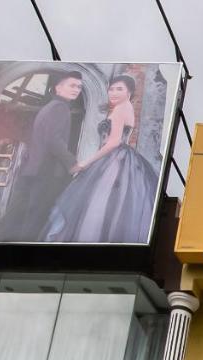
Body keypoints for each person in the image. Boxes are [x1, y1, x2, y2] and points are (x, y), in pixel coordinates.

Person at [42, 74, 158, 243]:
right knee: (105, 203)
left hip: (115, 160)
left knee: (99, 202)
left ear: (130, 92)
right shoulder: (124, 108)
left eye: (120, 89)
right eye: (111, 89)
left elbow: (113, 143)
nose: (114, 92)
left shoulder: (121, 108)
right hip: (115, 158)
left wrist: (85, 163)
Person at [1, 70, 82, 241]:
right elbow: (54, 140)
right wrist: (72, 162)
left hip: (32, 169)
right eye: (72, 85)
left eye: (79, 87)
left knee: (17, 216)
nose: (76, 89)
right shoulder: (60, 108)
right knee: (35, 218)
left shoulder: (49, 108)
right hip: (46, 171)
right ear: (57, 88)